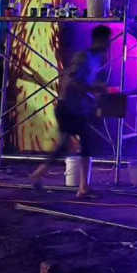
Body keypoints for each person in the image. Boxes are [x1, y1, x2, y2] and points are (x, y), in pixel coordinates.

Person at [30, 25, 111, 197]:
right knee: (86, 142)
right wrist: (93, 89)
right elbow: (72, 81)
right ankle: (83, 187)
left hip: (74, 108)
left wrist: (95, 90)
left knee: (66, 145)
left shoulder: (95, 59)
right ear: (101, 40)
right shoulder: (83, 57)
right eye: (107, 40)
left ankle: (38, 175)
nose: (108, 44)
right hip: (68, 108)